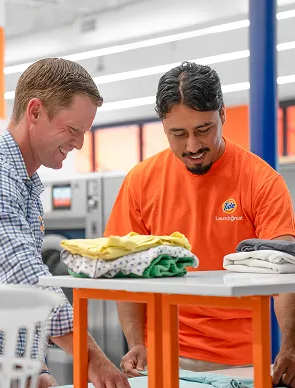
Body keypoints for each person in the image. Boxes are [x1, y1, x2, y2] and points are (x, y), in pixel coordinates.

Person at [0, 58, 130, 388]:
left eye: (84, 132)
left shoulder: (21, 183)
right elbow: (25, 281)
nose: (80, 143)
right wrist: (94, 363)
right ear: (35, 111)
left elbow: (3, 298)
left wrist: (34, 368)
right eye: (73, 130)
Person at [104, 61, 295, 387]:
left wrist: (290, 346)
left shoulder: (260, 180)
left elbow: (284, 270)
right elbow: (126, 268)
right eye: (178, 134)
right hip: (162, 357)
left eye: (203, 130)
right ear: (163, 127)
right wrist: (136, 342)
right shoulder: (141, 181)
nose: (192, 146)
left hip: (245, 359)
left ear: (222, 115)